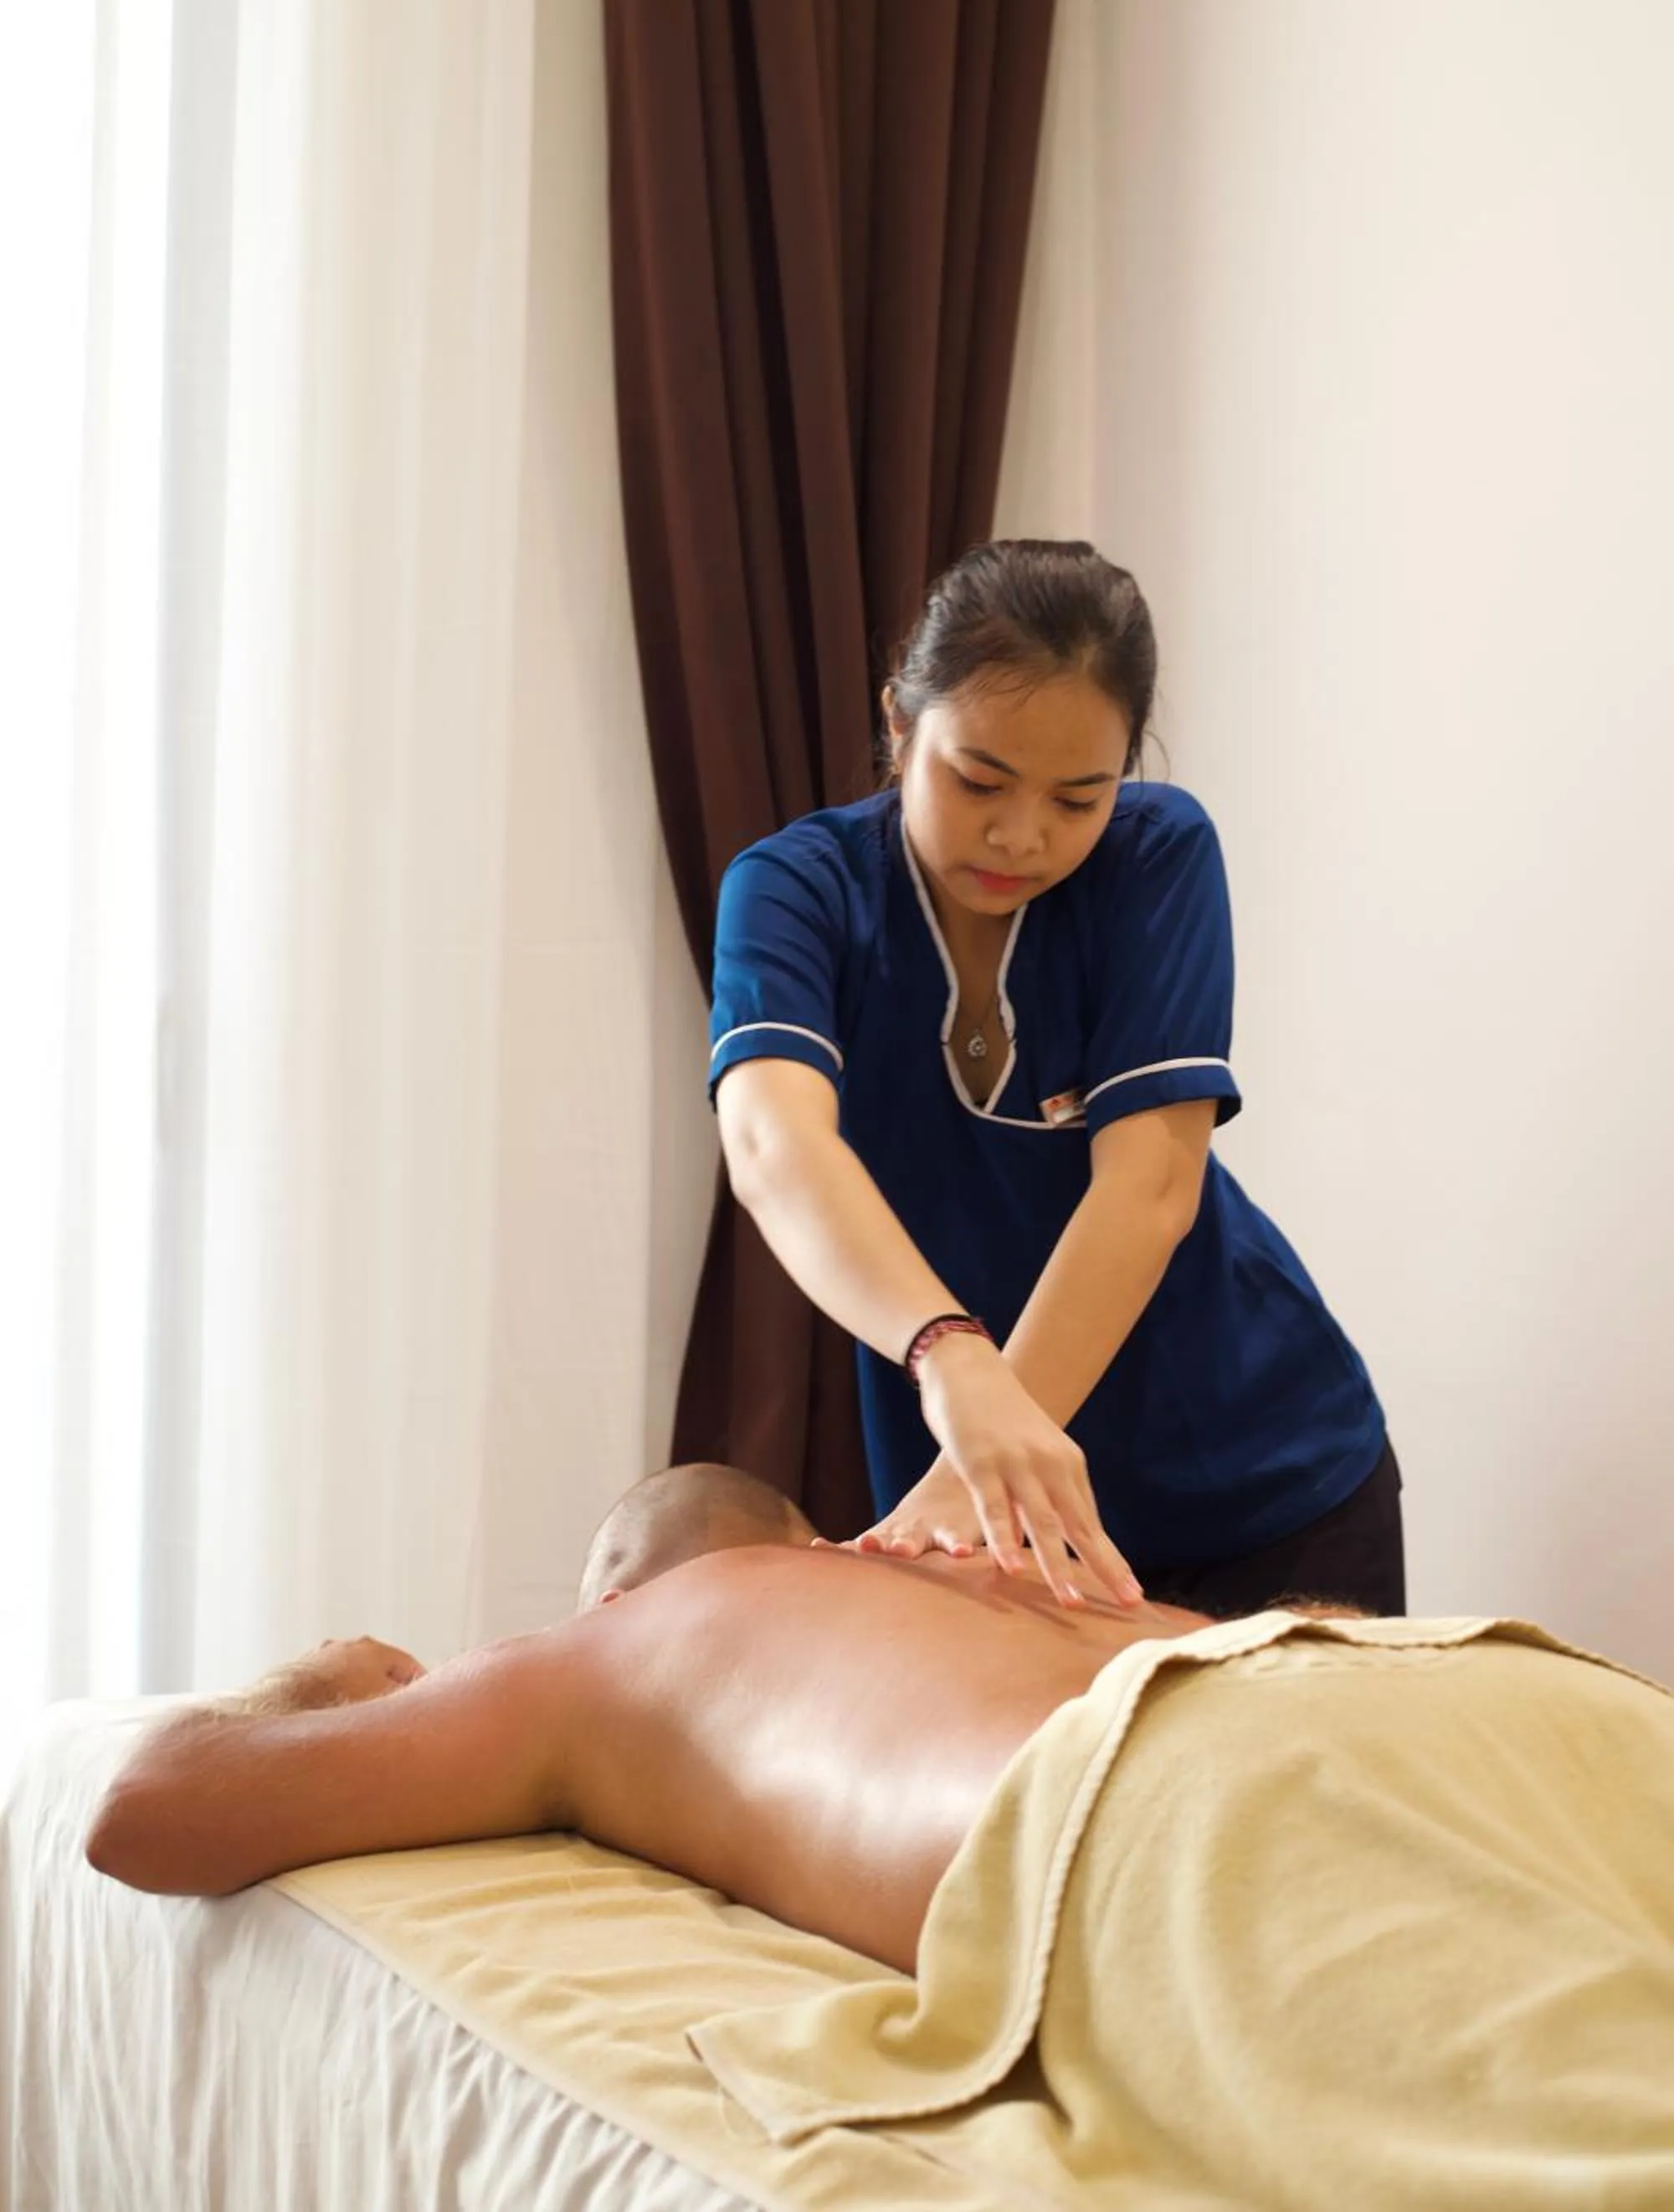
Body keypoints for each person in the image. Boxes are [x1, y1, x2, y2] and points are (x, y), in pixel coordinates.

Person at [710, 538, 1400, 1617]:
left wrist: (987, 1431)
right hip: (986, 1499)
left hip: (1263, 1477)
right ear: (899, 723)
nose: (1021, 834)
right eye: (978, 779)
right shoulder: (797, 891)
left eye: (1079, 798)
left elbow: (1151, 1188)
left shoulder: (1155, 856)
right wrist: (954, 1368)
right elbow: (772, 1143)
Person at [87, 1464, 1220, 1973]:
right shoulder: (981, 1572)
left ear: (615, 1602)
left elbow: (144, 1808)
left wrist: (319, 1679)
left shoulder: (624, 1646)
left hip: (1146, 1825)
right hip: (1338, 1673)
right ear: (817, 1546)